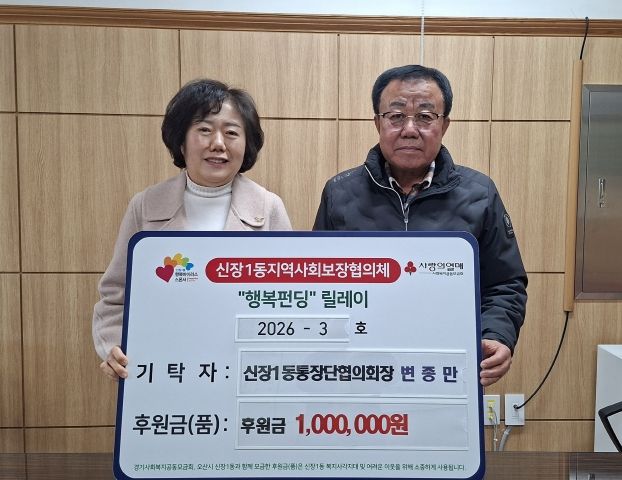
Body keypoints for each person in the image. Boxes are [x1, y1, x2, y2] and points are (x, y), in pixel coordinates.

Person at [313, 65, 527, 387]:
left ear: (445, 125)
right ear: (378, 123)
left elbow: (505, 283)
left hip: (446, 369)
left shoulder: (480, 193)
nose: (410, 129)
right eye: (396, 116)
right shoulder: (339, 193)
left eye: (425, 117)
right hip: (360, 369)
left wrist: (497, 334)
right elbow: (319, 282)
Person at [93, 79, 292, 380]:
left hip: (245, 374)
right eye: (204, 129)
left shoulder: (268, 208)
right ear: (181, 141)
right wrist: (114, 348)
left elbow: (289, 298)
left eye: (231, 132)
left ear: (247, 144)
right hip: (167, 372)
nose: (218, 143)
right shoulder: (145, 205)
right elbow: (115, 297)